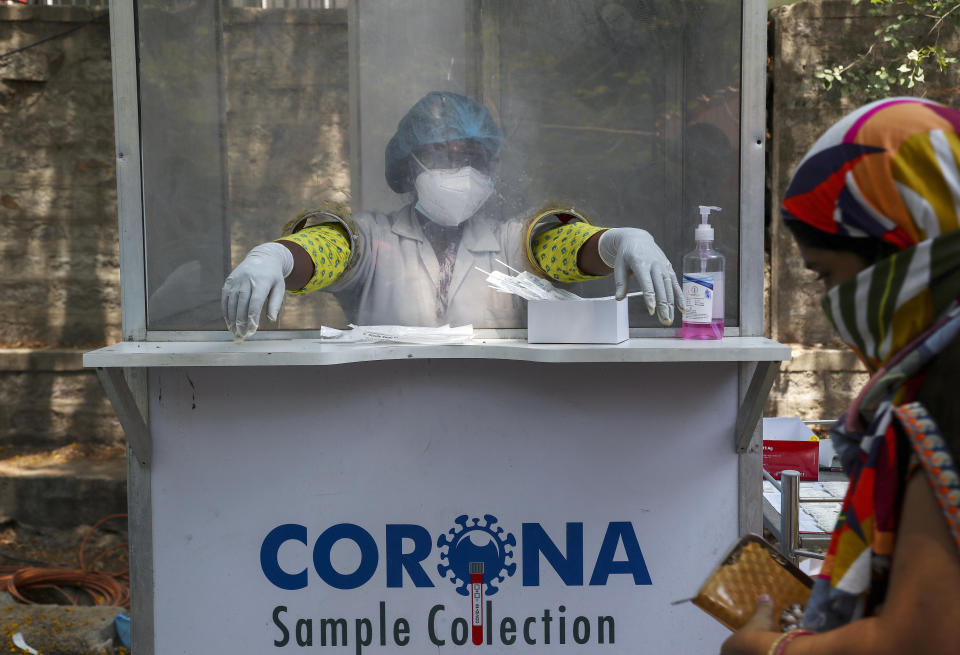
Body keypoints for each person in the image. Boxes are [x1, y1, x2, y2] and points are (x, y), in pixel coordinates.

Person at [722, 97, 960, 654]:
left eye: (827, 275)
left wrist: (771, 650)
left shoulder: (946, 391)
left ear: (901, 254)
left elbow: (919, 641)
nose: (833, 304)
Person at [221, 91, 683, 339]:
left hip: (494, 427)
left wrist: (612, 243)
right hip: (377, 421)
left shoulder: (509, 242)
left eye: (474, 158)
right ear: (409, 166)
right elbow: (329, 248)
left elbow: (560, 247)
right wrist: (278, 256)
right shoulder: (374, 238)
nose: (461, 170)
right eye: (441, 155)